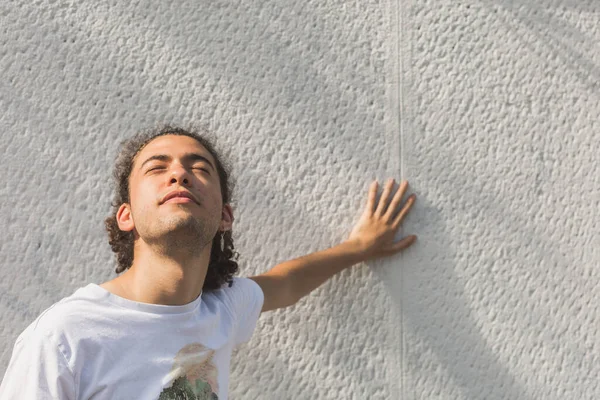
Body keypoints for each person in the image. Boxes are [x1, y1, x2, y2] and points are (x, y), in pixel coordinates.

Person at [0, 125, 417, 399]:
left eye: (198, 168)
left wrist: (360, 246)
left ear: (224, 217)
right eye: (157, 168)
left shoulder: (221, 310)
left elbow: (285, 282)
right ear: (125, 216)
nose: (179, 175)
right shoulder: (65, 337)